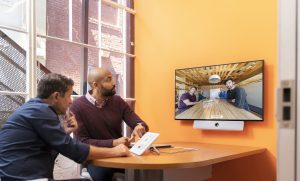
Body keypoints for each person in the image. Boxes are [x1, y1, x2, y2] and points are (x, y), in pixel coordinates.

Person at [0, 73, 130, 181]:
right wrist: (115, 151)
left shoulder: (34, 108)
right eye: (68, 96)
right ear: (56, 96)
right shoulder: (40, 111)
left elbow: (50, 148)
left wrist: (65, 132)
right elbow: (73, 150)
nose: (71, 101)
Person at [70, 68, 149, 181]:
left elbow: (136, 120)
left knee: (142, 171)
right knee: (103, 175)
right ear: (96, 85)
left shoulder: (117, 101)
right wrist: (114, 142)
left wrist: (139, 126)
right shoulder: (77, 107)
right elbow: (82, 141)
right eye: (109, 80)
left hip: (121, 154)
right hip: (96, 158)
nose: (114, 83)